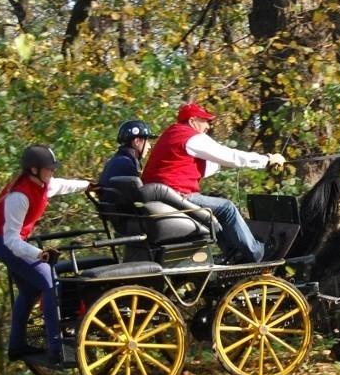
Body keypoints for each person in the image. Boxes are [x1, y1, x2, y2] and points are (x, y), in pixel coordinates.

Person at [0, 145, 90, 363]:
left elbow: (62, 185)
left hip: (12, 242)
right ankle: (55, 347)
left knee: (31, 288)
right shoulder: (19, 197)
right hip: (3, 243)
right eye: (49, 168)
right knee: (50, 281)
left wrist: (90, 185)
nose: (52, 172)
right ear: (34, 170)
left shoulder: (43, 184)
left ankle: (17, 346)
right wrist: (39, 254)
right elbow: (11, 239)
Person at [141, 103, 285, 263]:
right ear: (193, 120)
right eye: (205, 121)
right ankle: (256, 252)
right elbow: (231, 156)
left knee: (216, 205)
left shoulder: (171, 134)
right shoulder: (192, 137)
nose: (208, 126)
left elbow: (200, 166)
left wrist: (225, 163)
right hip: (176, 197)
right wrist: (267, 160)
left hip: (163, 198)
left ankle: (232, 252)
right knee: (227, 208)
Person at [99, 119, 157, 186]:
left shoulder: (116, 161)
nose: (149, 146)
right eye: (147, 141)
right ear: (137, 141)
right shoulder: (126, 164)